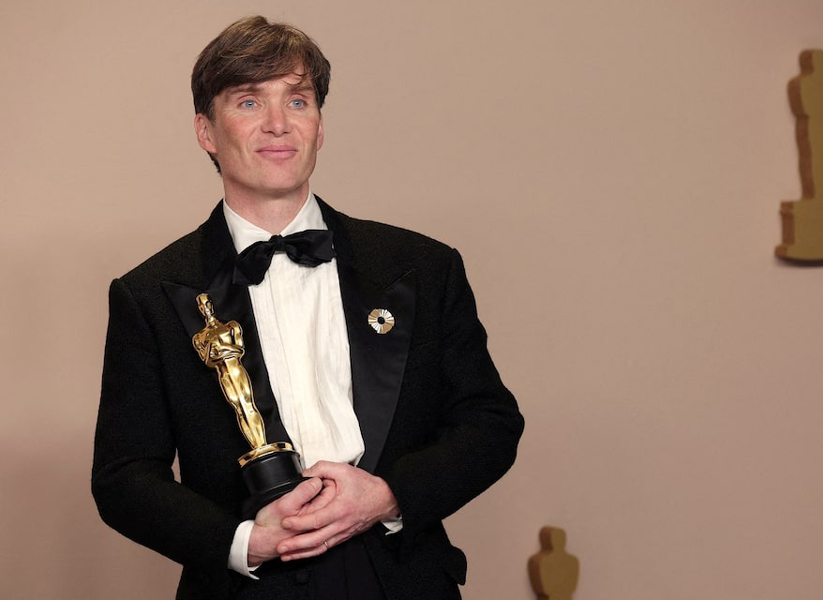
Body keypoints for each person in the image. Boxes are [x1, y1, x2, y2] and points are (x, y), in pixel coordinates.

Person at [91, 15, 523, 600]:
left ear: (319, 127)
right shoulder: (149, 293)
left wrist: (389, 496)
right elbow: (123, 477)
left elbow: (490, 423)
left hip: (400, 578)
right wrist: (244, 541)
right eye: (249, 102)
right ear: (206, 131)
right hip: (249, 589)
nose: (278, 123)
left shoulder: (424, 266)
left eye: (298, 100)